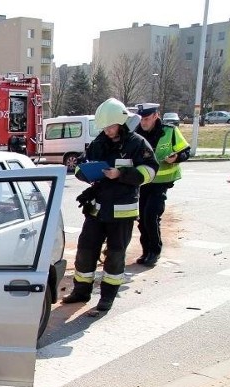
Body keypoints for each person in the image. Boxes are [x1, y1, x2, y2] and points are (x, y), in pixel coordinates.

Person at [62, 98, 159, 312]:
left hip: (122, 211)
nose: (107, 131)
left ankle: (107, 297)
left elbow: (150, 171)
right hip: (96, 208)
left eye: (111, 126)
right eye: (104, 127)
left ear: (122, 123)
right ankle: (81, 291)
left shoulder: (137, 144)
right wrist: (83, 172)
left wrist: (121, 174)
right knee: (85, 250)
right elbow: (83, 165)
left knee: (115, 255)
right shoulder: (99, 142)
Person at [133, 103, 191, 266]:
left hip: (162, 182)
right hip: (143, 182)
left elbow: (185, 151)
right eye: (141, 119)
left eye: (146, 119)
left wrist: (177, 157)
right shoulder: (136, 133)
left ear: (155, 116)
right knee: (143, 219)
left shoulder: (170, 131)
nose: (143, 122)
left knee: (151, 215)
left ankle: (155, 251)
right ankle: (146, 251)